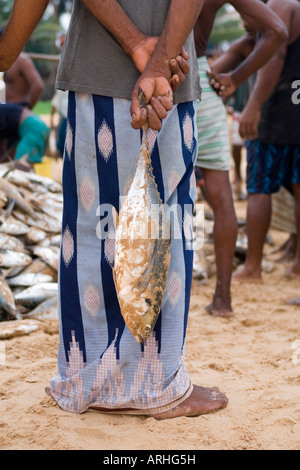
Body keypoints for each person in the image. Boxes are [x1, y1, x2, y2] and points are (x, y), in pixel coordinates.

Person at [0, 0, 230, 419]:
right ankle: (155, 386)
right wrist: (157, 61)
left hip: (96, 74)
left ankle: (86, 376)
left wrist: (136, 45)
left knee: (90, 233)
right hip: (165, 79)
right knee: (162, 231)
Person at [193, 0, 287, 317]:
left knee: (155, 194)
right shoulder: (249, 35)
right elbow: (276, 30)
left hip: (163, 82)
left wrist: (233, 77)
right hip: (202, 89)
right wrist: (235, 77)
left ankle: (154, 297)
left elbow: (275, 33)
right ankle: (223, 299)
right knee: (222, 198)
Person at [221, 0, 300, 284]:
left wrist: (253, 106)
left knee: (258, 190)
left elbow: (277, 54)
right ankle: (297, 264)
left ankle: (253, 266)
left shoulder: (282, 5)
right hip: (293, 111)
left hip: (275, 115)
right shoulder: (255, 34)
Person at [0, 28, 44, 110]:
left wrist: (26, 109)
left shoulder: (22, 60)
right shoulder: (4, 61)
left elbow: (38, 86)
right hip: (5, 109)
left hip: (17, 109)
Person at [0, 102, 50, 169]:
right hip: (36, 126)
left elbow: (2, 147)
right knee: (21, 165)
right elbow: (8, 153)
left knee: (21, 166)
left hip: (33, 128)